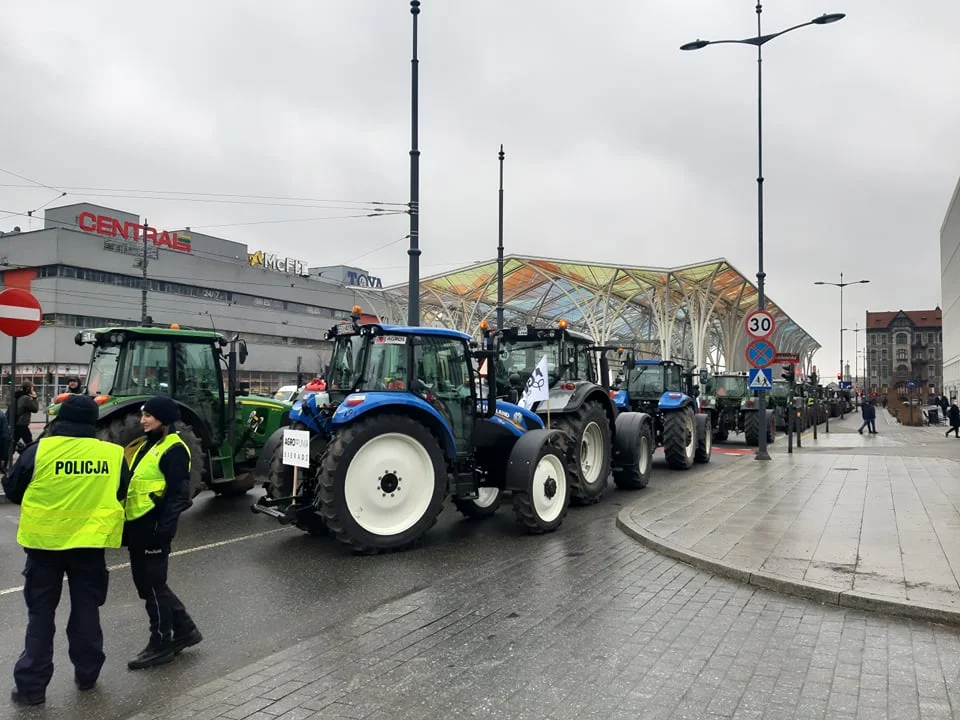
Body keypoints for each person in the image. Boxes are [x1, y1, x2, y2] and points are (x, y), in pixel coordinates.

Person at [1, 395, 126, 706]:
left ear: (60, 419)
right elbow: (121, 491)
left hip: (44, 548)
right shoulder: (112, 454)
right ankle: (87, 675)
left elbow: (14, 489)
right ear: (93, 422)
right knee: (86, 610)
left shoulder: (39, 451)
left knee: (40, 616)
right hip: (90, 547)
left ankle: (31, 689)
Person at [123, 396, 201, 669]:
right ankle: (185, 630)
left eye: (148, 415)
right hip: (139, 525)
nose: (142, 420)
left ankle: (160, 644)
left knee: (153, 585)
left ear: (163, 419)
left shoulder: (174, 448)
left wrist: (162, 530)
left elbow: (180, 495)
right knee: (148, 586)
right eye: (142, 415)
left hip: (153, 528)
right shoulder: (148, 445)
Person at [15, 381, 39, 450]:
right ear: (28, 388)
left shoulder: (18, 395)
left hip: (17, 422)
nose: (33, 390)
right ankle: (31, 456)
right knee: (29, 442)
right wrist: (34, 398)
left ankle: (6, 457)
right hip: (22, 424)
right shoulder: (25, 398)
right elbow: (35, 409)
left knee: (13, 442)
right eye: (32, 388)